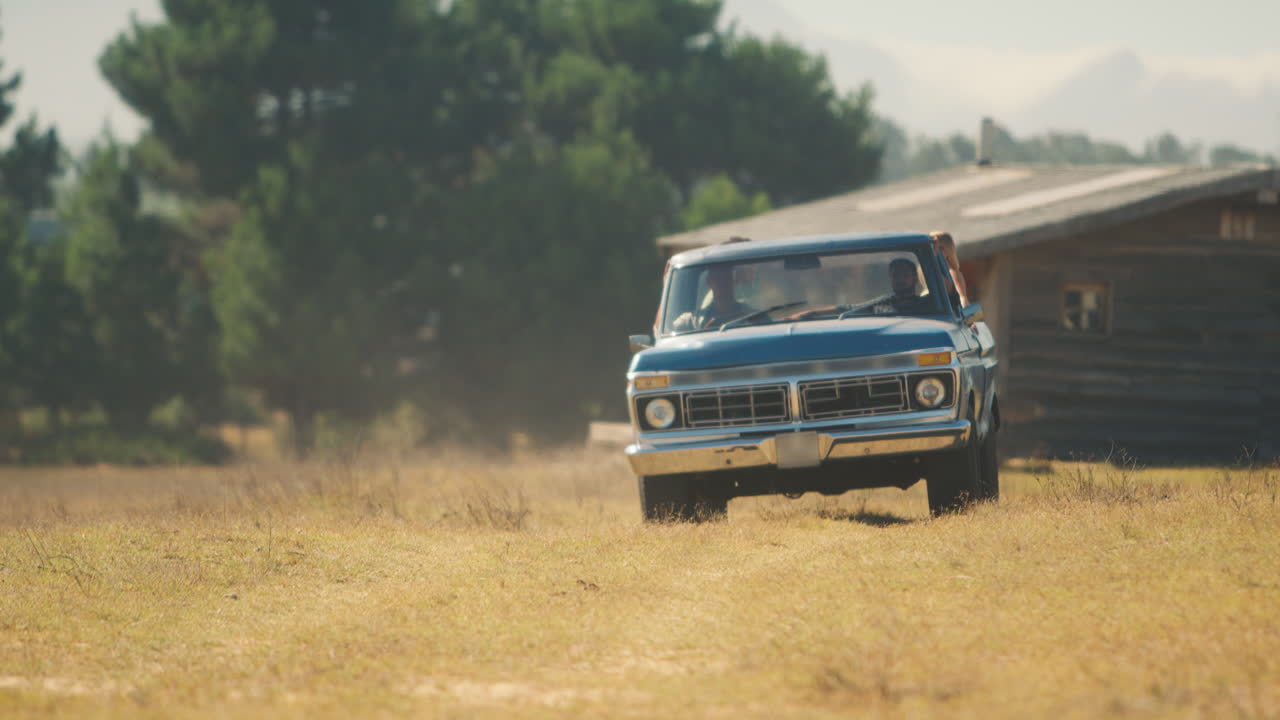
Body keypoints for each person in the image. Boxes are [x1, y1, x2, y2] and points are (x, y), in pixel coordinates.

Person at [930, 231, 969, 307]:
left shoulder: (952, 272)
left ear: (945, 250)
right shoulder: (930, 269)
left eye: (935, 247)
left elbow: (962, 299)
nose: (931, 251)